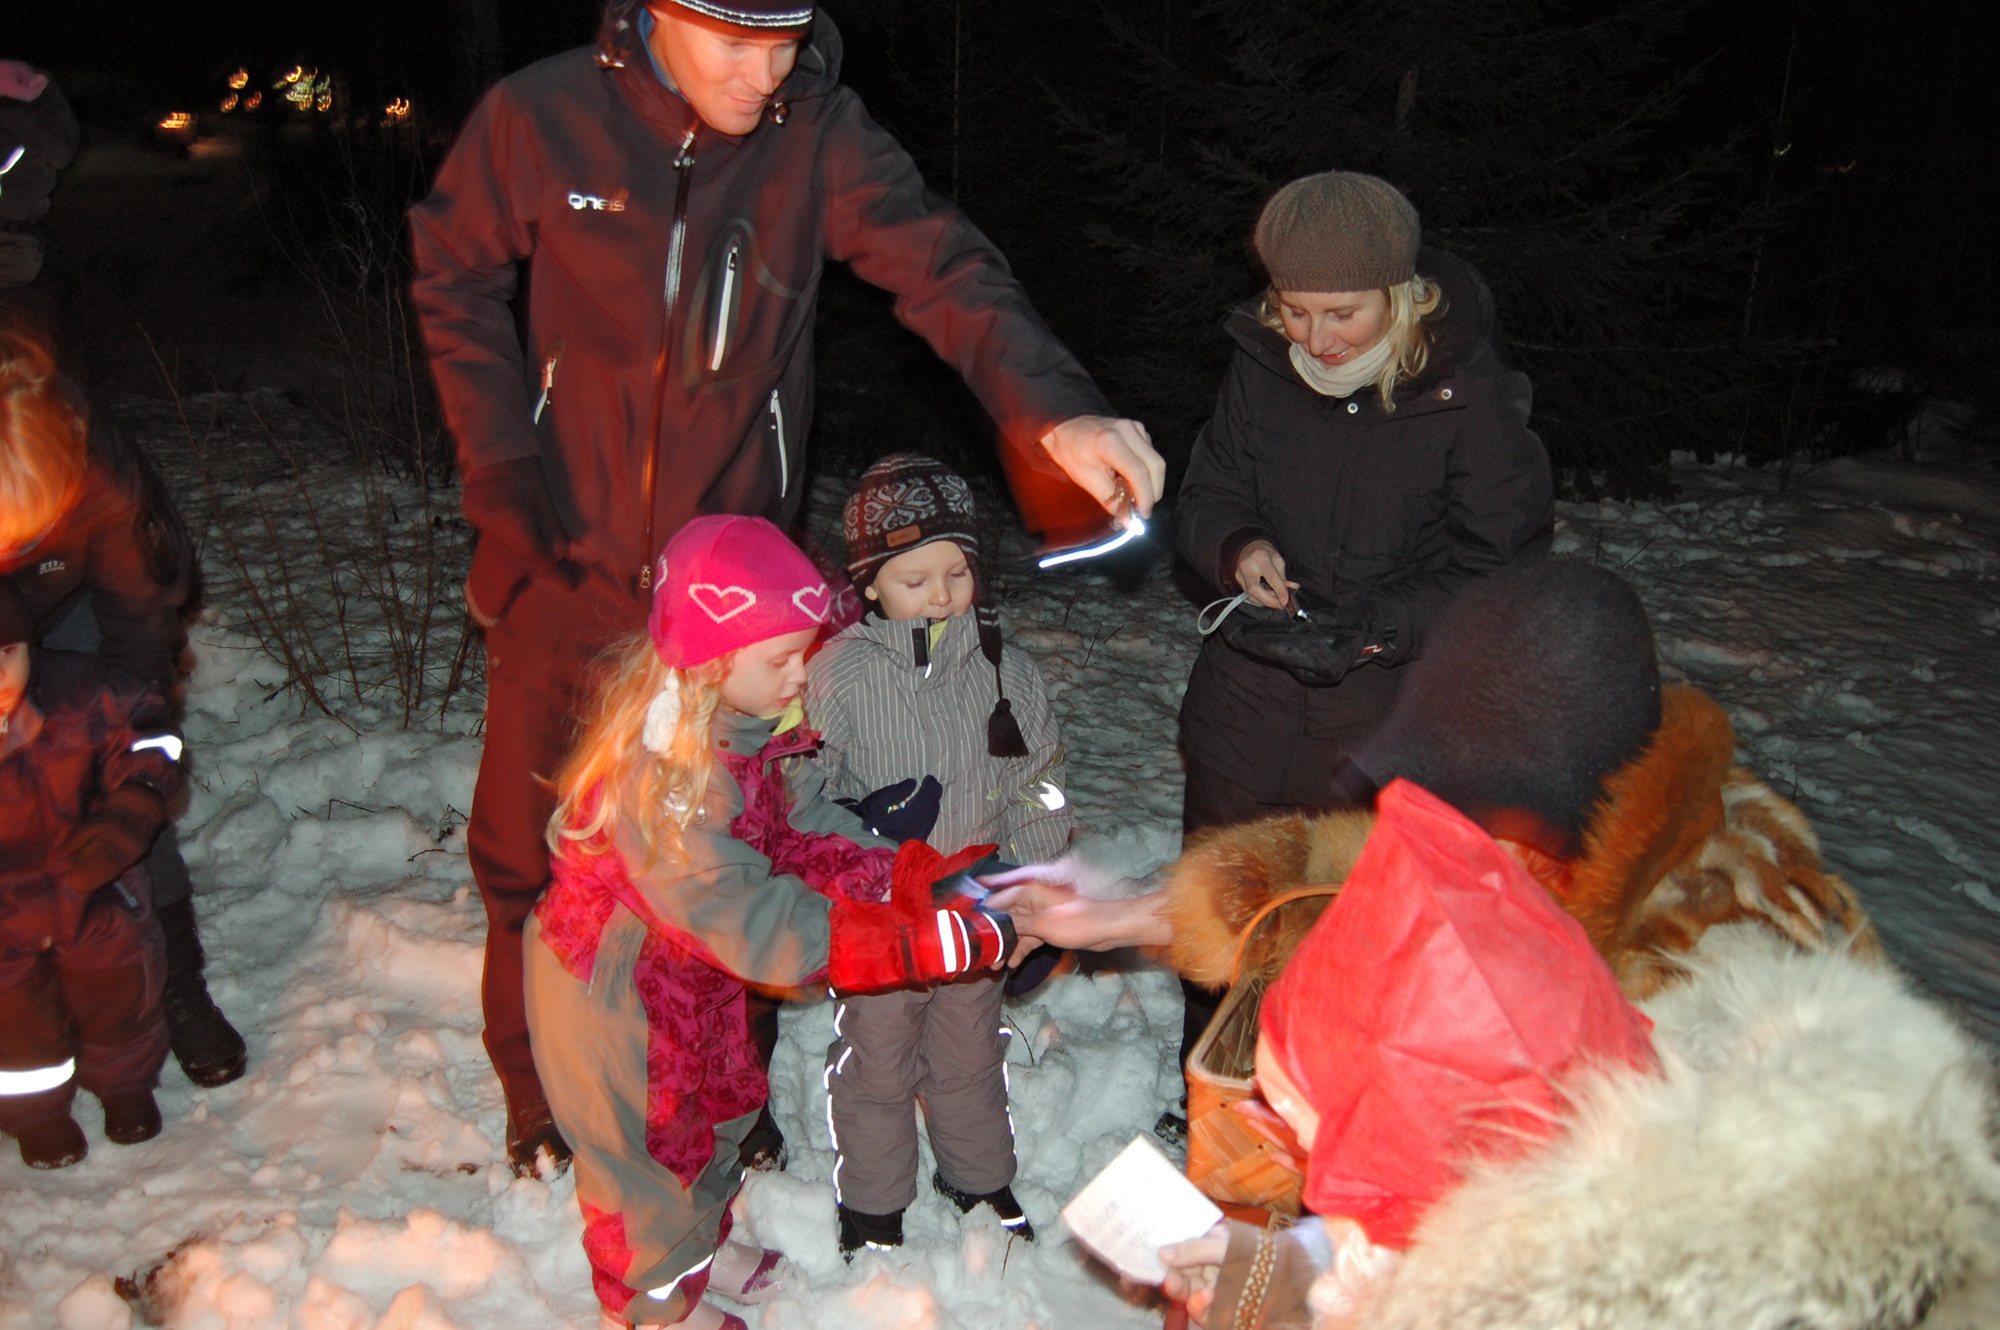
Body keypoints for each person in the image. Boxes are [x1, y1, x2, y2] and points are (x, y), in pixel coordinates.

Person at [408, 0, 1164, 1170]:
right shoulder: (541, 114)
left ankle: (727, 1088)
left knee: (743, 835)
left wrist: (1047, 402)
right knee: (531, 843)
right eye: (732, 44)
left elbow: (942, 265)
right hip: (563, 557)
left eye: (783, 42)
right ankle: (542, 1085)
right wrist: (502, 467)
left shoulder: (817, 134)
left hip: (736, 587)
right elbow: (450, 273)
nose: (765, 76)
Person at [523, 515, 1015, 1330]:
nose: (801, 675)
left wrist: (911, 882)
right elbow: (753, 916)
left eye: (806, 651)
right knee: (651, 1160)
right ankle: (653, 1301)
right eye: (781, 659)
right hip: (619, 1010)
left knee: (717, 1118)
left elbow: (801, 828)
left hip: (693, 979)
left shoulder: (753, 728)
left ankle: (699, 1247)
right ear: (712, 659)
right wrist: (899, 940)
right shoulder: (664, 781)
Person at [1169, 170, 1553, 1083]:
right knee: (1222, 911)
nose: (1314, 337)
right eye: (1294, 311)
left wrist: (1379, 625)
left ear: (1402, 294)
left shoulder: (1468, 401)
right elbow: (1208, 488)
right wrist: (1235, 547)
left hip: (1383, 723)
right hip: (1245, 710)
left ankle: (1319, 1108)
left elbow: (1500, 566)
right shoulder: (1260, 366)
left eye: (1341, 313)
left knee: (1341, 930)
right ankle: (1212, 1091)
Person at [807, 454, 1069, 1254]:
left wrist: (1027, 881)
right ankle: (875, 1203)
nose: (940, 593)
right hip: (879, 917)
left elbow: (1043, 782)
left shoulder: (1005, 671)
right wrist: (857, 833)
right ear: (872, 584)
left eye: (956, 571)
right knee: (880, 1061)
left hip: (974, 907)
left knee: (967, 1054)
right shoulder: (837, 674)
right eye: (914, 578)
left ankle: (979, 1177)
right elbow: (797, 791)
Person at [0, 323, 247, 1088]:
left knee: (101, 756)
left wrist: (135, 783)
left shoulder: (97, 471)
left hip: (67, 607)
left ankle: (174, 979)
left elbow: (142, 624)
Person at [0, 580, 184, 1168]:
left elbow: (151, 730)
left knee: (119, 991)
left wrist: (131, 810)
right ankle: (38, 1114)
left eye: (6, 654)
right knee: (15, 1018)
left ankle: (126, 1086)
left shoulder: (81, 693)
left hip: (93, 890)